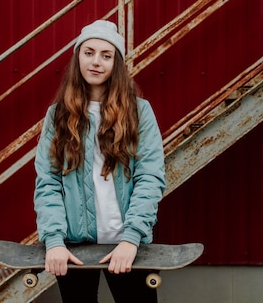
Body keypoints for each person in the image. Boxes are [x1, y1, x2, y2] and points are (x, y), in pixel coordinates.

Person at [34, 19, 166, 303]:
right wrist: (54, 241)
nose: (96, 62)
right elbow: (48, 183)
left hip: (128, 245)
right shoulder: (57, 115)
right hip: (73, 248)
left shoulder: (139, 112)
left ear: (116, 63)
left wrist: (131, 239)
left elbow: (150, 177)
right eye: (89, 52)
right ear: (77, 57)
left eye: (106, 56)